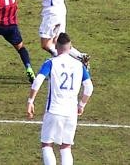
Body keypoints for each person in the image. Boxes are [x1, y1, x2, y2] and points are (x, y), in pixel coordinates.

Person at [26, 33, 93, 165]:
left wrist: (30, 101)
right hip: (71, 113)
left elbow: (37, 81)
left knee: (47, 145)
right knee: (66, 147)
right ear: (70, 47)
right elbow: (89, 88)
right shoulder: (79, 65)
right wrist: (81, 105)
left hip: (54, 110)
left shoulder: (51, 63)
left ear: (56, 47)